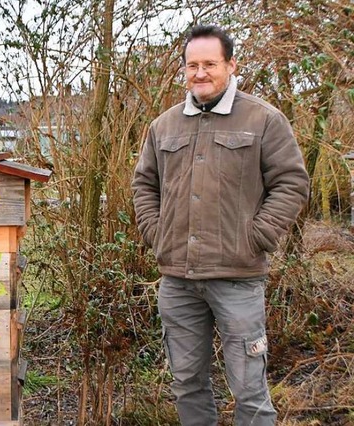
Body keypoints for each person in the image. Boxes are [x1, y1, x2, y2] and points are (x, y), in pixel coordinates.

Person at [132, 25, 309, 425]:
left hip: (238, 278)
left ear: (231, 65)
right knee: (187, 383)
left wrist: (257, 235)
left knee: (250, 390)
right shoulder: (163, 127)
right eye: (192, 65)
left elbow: (292, 182)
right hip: (177, 280)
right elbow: (144, 184)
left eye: (210, 64)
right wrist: (157, 234)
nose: (200, 73)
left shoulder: (263, 120)